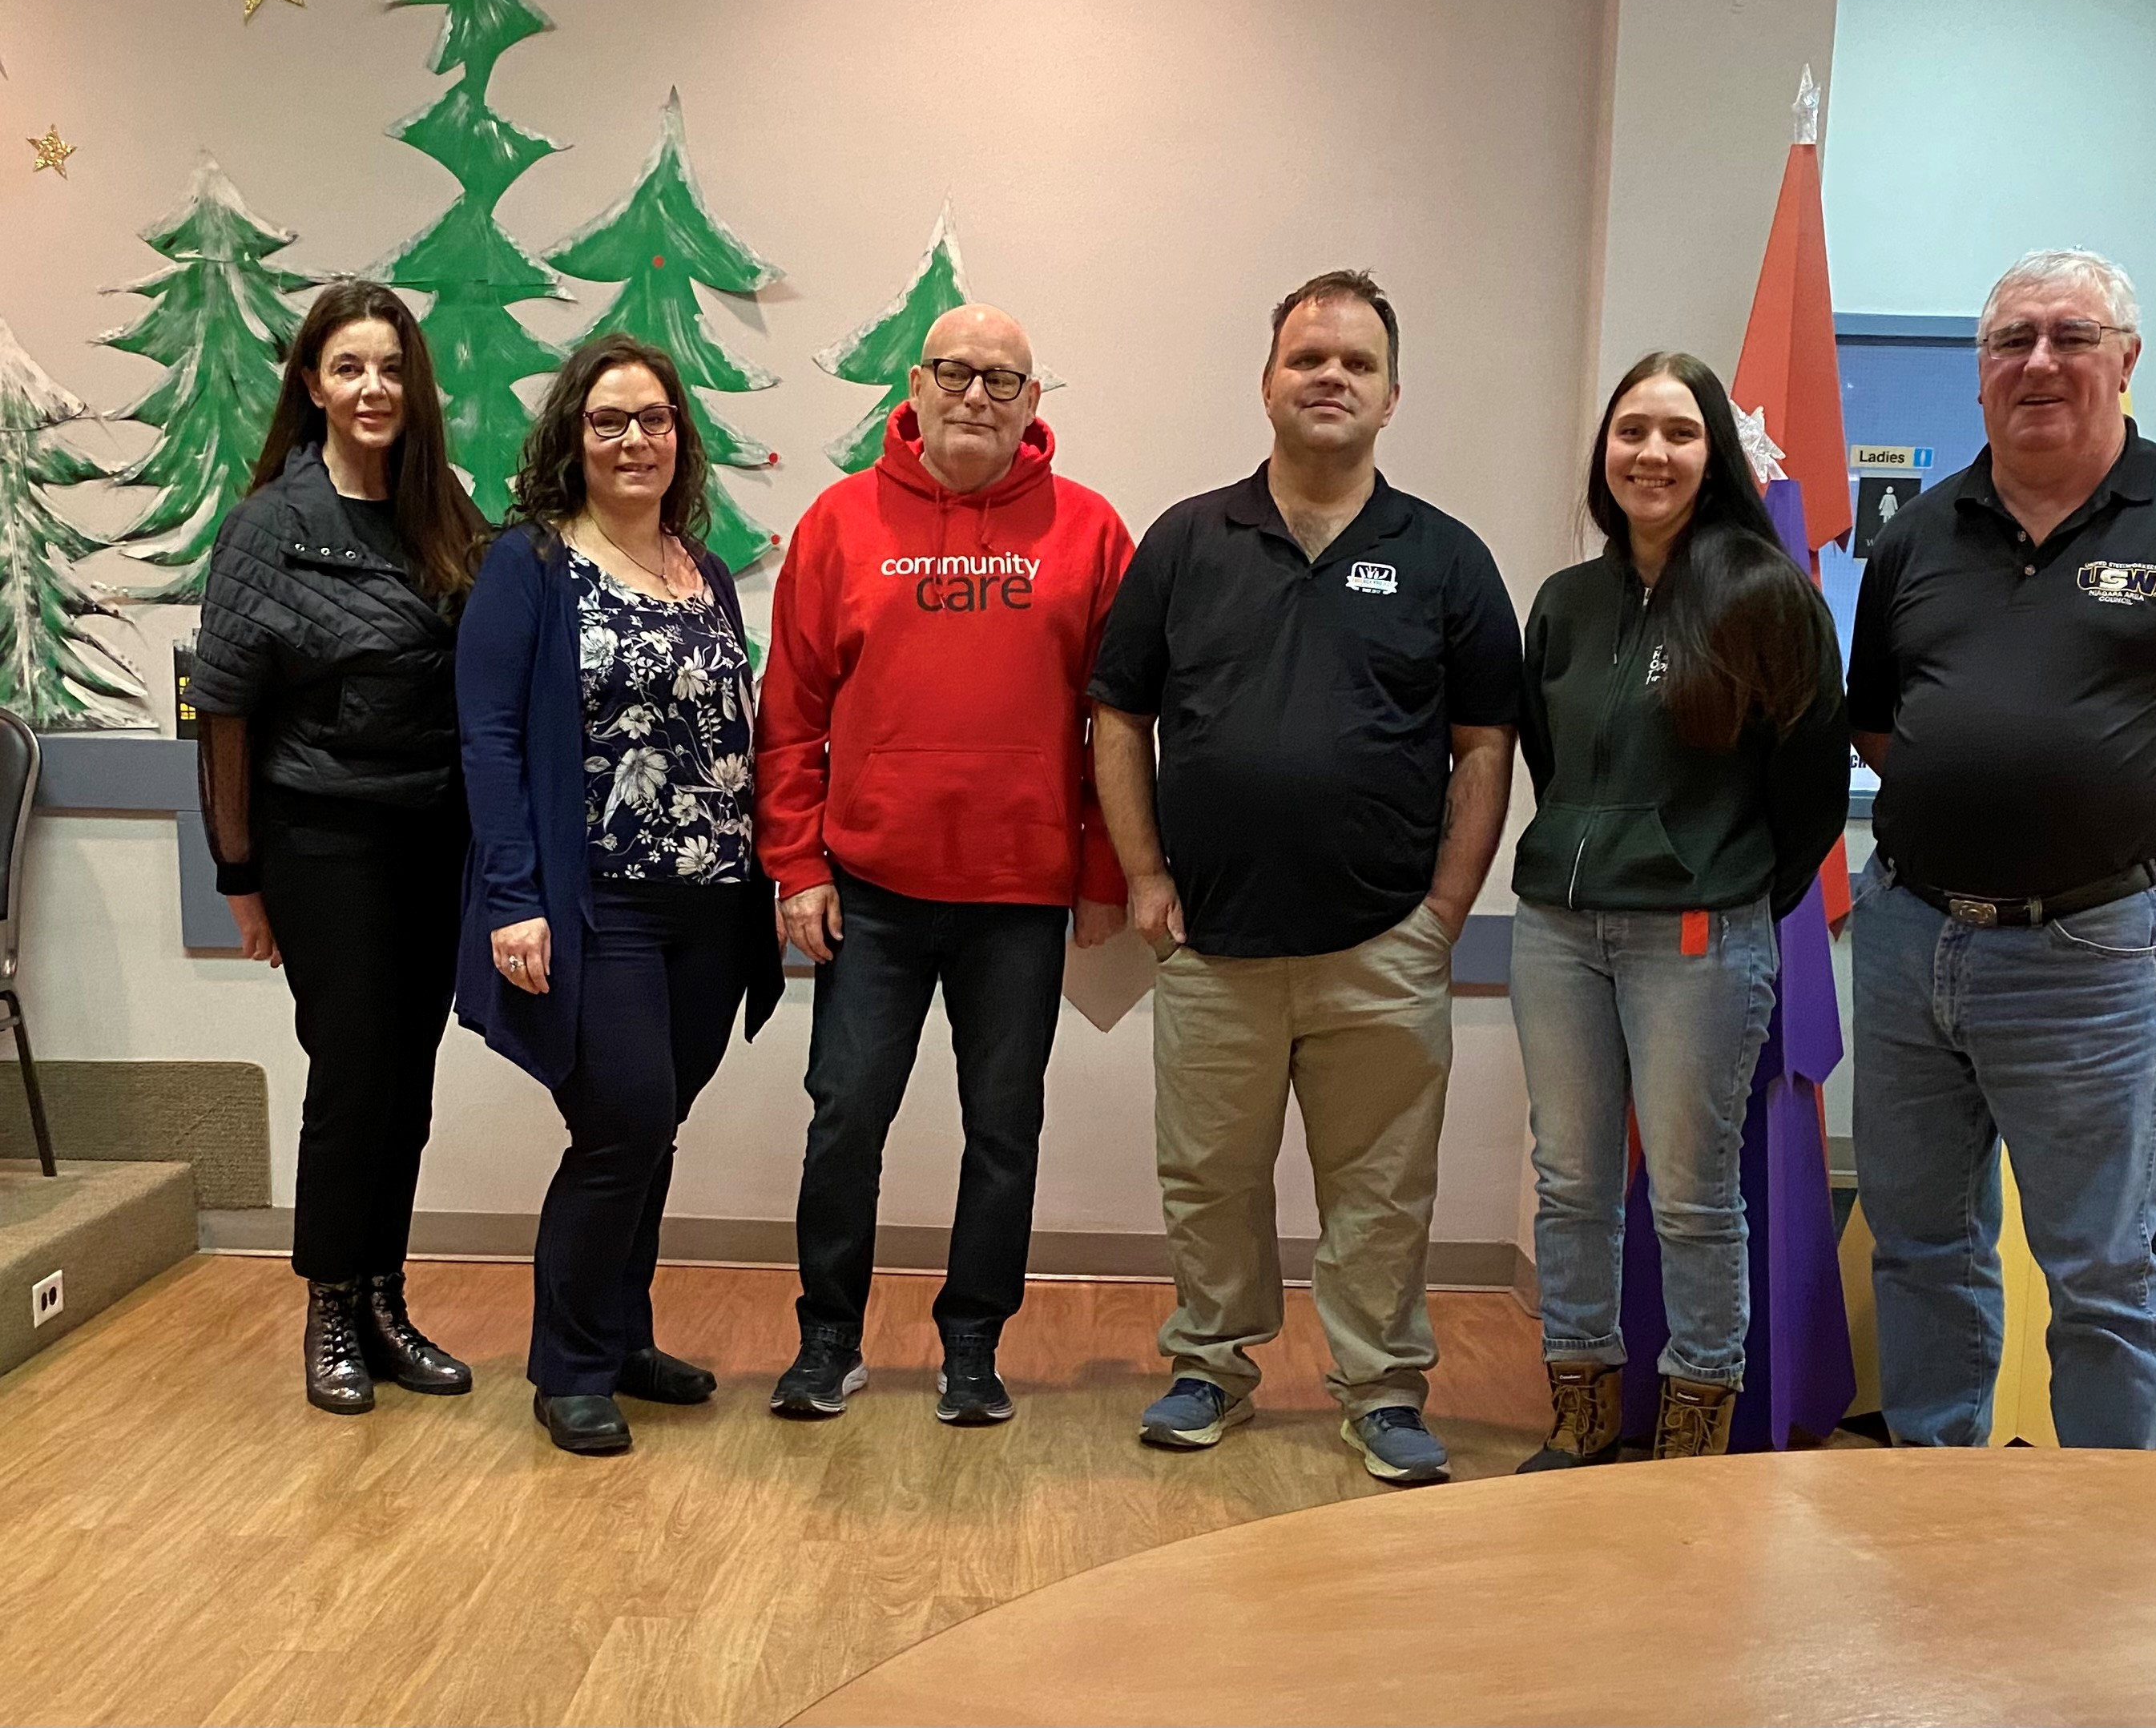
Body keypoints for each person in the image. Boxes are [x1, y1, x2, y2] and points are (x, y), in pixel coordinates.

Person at [1848, 249, 2156, 1450]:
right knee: (1918, 1243)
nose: (2039, 362)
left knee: (2100, 1268)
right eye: (2012, 340)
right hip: (1909, 937)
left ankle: (2105, 1552)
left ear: (2125, 359)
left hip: (2082, 956)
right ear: (1978, 376)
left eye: (2071, 336)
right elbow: (1878, 719)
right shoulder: (1916, 535)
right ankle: (1934, 1493)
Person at [1090, 269, 1521, 1486]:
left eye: (1355, 363)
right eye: (1306, 357)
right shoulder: (1185, 540)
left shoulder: (1443, 556)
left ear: (1390, 397)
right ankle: (1209, 1364)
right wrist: (1141, 873)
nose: (1329, 376)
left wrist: (1442, 910)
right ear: (1267, 381)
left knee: (1380, 1189)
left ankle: (1382, 1386)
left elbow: (1485, 742)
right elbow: (1117, 714)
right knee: (1209, 1178)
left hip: (1382, 943)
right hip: (1213, 941)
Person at [756, 305, 1134, 1428]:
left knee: (1003, 1129)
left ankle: (973, 1343)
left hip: (1020, 898)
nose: (978, 394)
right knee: (844, 1120)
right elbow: (789, 715)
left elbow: (1116, 724)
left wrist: (1104, 870)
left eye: (1004, 379)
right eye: (957, 374)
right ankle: (828, 1338)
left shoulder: (1091, 532)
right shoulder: (837, 523)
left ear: (1032, 404)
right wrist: (796, 864)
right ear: (913, 389)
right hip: (869, 889)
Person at [1507, 352, 1848, 1468]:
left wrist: (1719, 878)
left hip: (1699, 939)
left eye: (1678, 432)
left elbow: (1806, 791)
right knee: (1570, 1184)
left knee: (1695, 1197)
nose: (1650, 453)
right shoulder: (1564, 604)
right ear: (1603, 454)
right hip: (1559, 930)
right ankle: (1582, 1412)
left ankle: (1694, 1426)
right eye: (1630, 432)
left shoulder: (1763, 595)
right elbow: (1553, 766)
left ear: (1714, 455)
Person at [455, 333, 785, 1456]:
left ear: (679, 436)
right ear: (573, 439)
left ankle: (622, 1335)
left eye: (652, 419)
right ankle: (569, 1366)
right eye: (609, 421)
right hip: (598, 902)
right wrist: (513, 897)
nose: (634, 438)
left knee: (653, 1128)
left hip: (708, 906)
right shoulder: (533, 566)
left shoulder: (704, 569)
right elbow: (490, 739)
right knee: (621, 1123)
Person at [184, 280, 486, 1416]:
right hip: (321, 841)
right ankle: (328, 1306)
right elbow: (222, 714)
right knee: (353, 1072)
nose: (373, 388)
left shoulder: (440, 510)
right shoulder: (271, 523)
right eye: (350, 367)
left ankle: (384, 1301)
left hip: (429, 838)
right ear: (312, 384)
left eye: (392, 368)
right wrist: (240, 877)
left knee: (405, 1083)